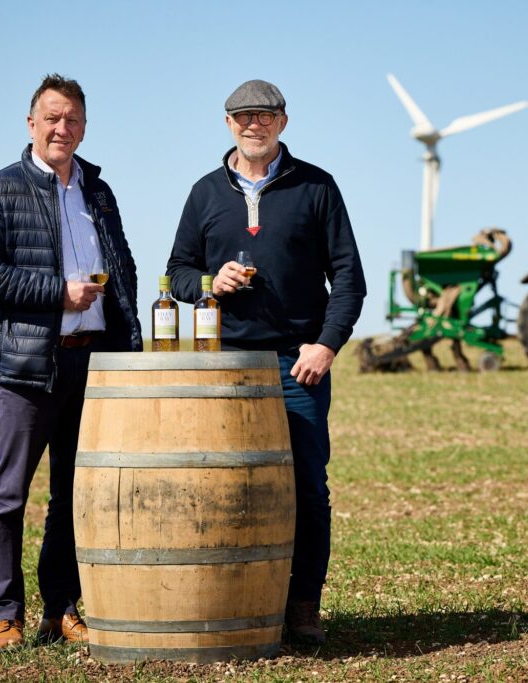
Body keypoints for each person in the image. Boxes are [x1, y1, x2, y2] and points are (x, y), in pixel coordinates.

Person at [166, 79, 367, 646]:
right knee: (226, 489)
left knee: (307, 489)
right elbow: (178, 271)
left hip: (298, 363)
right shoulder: (204, 192)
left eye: (265, 116)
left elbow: (349, 277)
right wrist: (210, 280)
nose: (253, 124)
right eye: (242, 117)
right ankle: (235, 604)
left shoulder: (317, 187)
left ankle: (303, 606)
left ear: (283, 122)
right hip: (225, 366)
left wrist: (325, 344)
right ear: (227, 124)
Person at [0, 74, 142, 650]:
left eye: (74, 120)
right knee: (8, 492)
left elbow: (124, 272)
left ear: (84, 128)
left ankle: (60, 606)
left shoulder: (98, 191)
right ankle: (2, 612)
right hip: (27, 367)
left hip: (93, 365)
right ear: (32, 123)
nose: (63, 128)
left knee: (73, 492)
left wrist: (129, 345)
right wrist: (55, 293)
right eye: (53, 118)